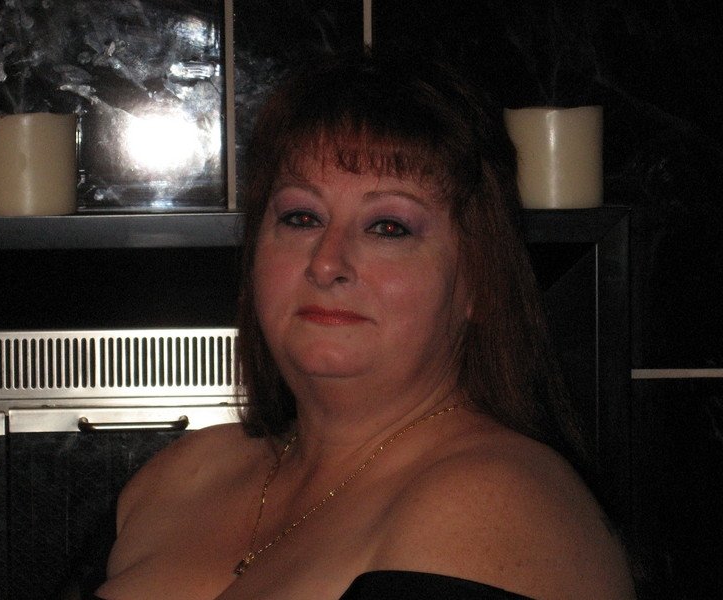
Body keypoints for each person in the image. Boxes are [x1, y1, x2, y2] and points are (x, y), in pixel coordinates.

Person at [94, 51, 636, 599]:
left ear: (479, 279)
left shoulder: (493, 500)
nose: (326, 263)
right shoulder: (182, 474)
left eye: (388, 227)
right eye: (301, 218)